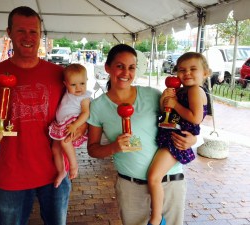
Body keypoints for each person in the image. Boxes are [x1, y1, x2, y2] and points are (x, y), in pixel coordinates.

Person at [0, 6, 85, 225]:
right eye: (21, 31)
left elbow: (77, 109)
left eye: (33, 31)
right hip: (12, 174)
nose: (28, 37)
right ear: (9, 32)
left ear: (40, 34)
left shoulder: (59, 75)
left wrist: (81, 126)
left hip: (55, 171)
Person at [87, 44, 199, 225]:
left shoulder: (152, 95)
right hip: (131, 188)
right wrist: (114, 147)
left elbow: (181, 121)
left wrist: (192, 139)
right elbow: (92, 149)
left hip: (169, 182)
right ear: (107, 67)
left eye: (131, 67)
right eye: (119, 66)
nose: (126, 72)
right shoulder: (98, 106)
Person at [147, 52, 209, 225]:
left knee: (153, 177)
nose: (186, 73)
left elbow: (195, 118)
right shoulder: (182, 91)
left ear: (205, 73)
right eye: (182, 69)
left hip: (177, 137)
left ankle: (156, 217)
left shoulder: (196, 90)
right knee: (154, 176)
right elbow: (165, 111)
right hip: (171, 132)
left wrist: (174, 104)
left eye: (193, 69)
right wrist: (166, 99)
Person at [49, 64, 91, 188]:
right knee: (55, 149)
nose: (78, 88)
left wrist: (75, 125)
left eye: (82, 83)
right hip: (61, 123)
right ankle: (61, 171)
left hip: (72, 122)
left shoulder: (84, 97)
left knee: (65, 143)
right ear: (66, 84)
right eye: (73, 85)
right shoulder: (68, 92)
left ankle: (74, 166)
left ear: (87, 81)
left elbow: (86, 113)